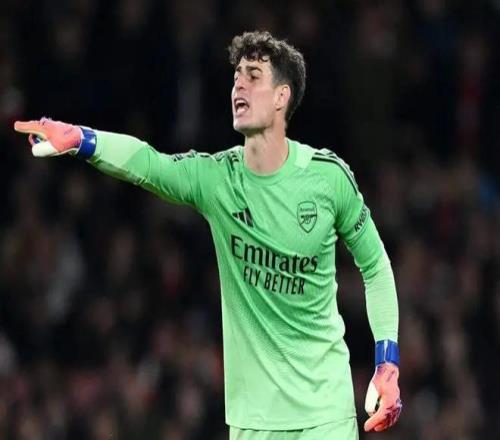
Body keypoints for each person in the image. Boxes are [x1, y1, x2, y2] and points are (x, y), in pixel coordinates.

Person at [14, 31, 401, 439]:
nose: (239, 85)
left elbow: (375, 266)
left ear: (281, 96)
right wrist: (82, 139)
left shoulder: (328, 179)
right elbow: (149, 164)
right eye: (236, 76)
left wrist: (387, 363)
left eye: (253, 76)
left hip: (325, 412)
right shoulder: (217, 180)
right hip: (253, 421)